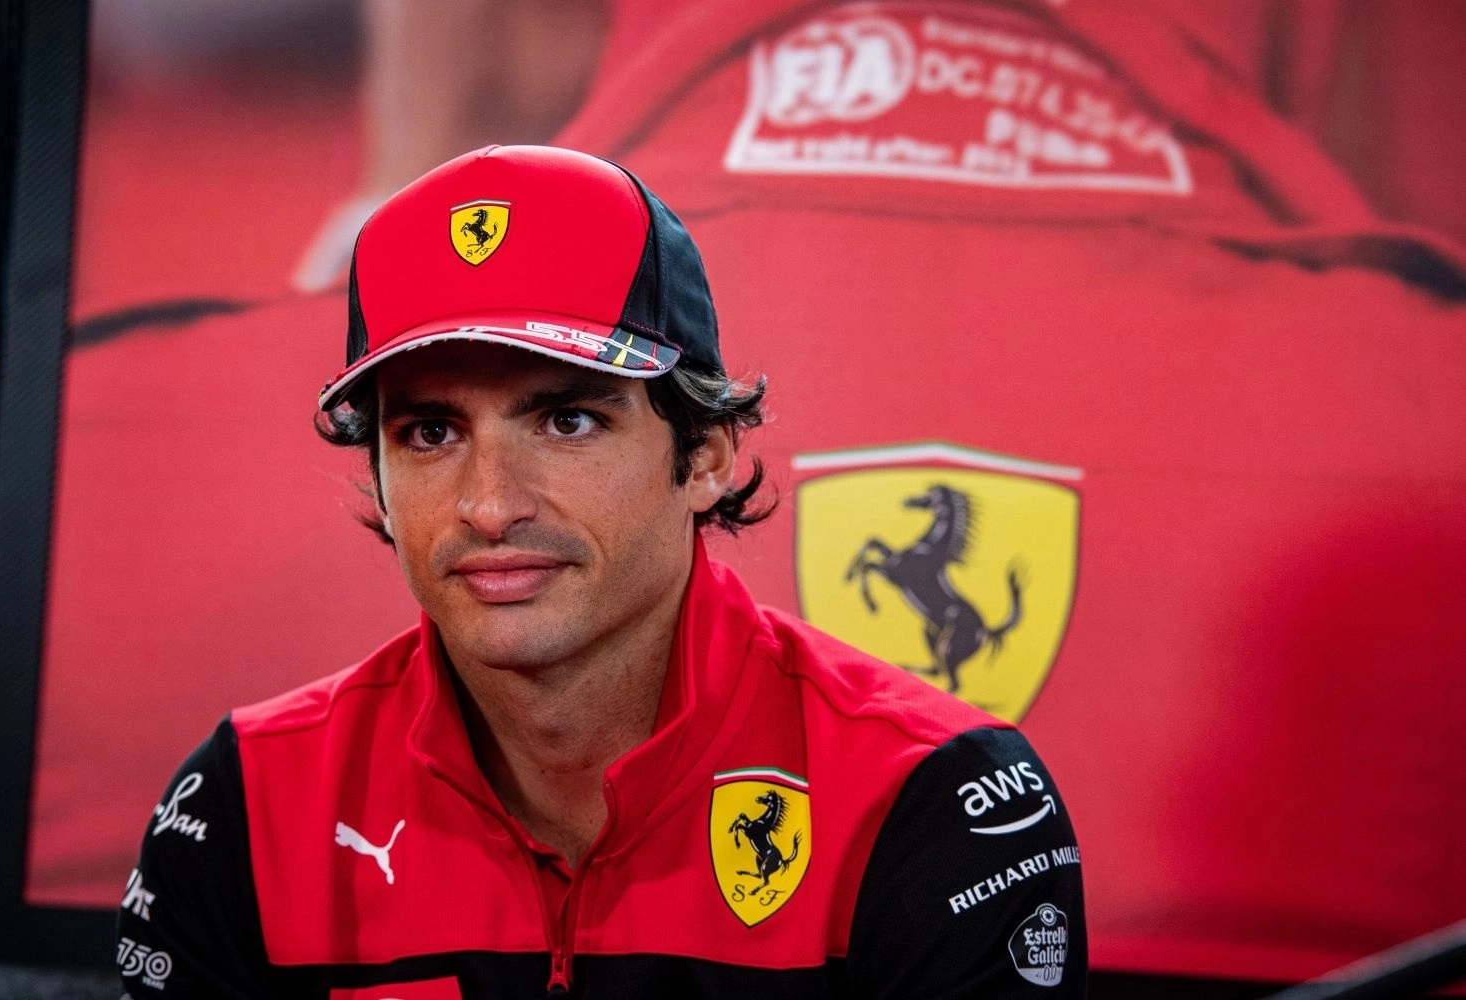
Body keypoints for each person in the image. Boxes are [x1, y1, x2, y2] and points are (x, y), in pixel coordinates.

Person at [116, 143, 1085, 997]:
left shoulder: (927, 798)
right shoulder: (253, 799)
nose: (489, 504)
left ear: (705, 456)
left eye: (567, 419)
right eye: (430, 432)